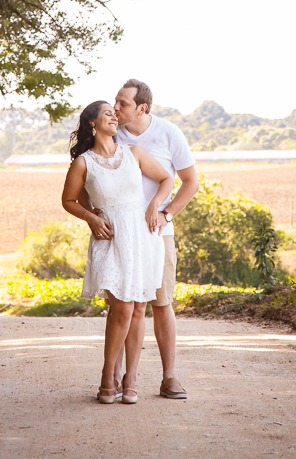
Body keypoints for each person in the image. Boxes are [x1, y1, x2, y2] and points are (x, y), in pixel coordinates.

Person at [61, 100, 173, 404]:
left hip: (143, 236)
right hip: (109, 238)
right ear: (92, 124)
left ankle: (131, 378)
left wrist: (155, 206)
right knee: (121, 308)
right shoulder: (83, 162)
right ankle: (107, 375)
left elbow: (166, 179)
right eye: (107, 113)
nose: (114, 116)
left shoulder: (133, 153)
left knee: (139, 309)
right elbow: (69, 201)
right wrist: (92, 218)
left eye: (115, 112)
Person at [112, 79, 199, 399]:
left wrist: (167, 214)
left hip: (158, 233)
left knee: (161, 303)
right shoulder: (111, 131)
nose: (116, 107)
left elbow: (191, 182)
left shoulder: (169, 133)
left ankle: (169, 378)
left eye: (123, 103)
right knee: (122, 307)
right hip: (121, 234)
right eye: (116, 101)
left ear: (141, 108)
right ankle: (116, 378)